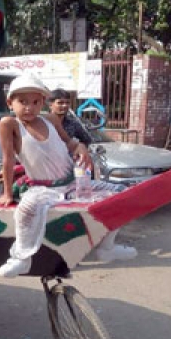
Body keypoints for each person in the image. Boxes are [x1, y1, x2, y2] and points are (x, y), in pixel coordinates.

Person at [0, 74, 135, 278]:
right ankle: (21, 259)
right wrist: (6, 193)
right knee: (25, 211)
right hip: (42, 189)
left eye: (36, 102)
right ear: (10, 102)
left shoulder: (50, 119)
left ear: (43, 103)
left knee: (123, 195)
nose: (29, 107)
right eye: (23, 102)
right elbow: (8, 161)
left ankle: (107, 247)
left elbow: (70, 143)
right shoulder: (9, 124)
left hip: (72, 183)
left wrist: (81, 146)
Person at [48, 88, 137, 264]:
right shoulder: (42, 124)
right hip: (50, 179)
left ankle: (106, 247)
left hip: (75, 174)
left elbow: (87, 140)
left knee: (121, 193)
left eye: (67, 102)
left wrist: (78, 149)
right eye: (60, 102)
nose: (64, 106)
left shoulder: (73, 123)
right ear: (50, 105)